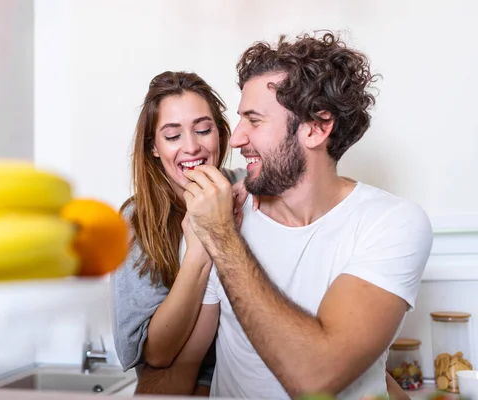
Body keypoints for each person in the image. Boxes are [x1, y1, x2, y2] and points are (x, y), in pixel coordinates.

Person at [174, 31, 433, 399]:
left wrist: (221, 238)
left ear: (316, 127)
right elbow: (179, 368)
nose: (235, 139)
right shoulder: (224, 213)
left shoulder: (390, 223)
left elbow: (316, 378)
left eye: (254, 120)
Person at [110, 70, 246, 396]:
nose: (192, 147)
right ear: (153, 147)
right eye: (172, 136)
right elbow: (156, 353)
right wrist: (199, 247)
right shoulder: (136, 221)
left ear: (221, 133)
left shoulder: (248, 192)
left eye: (203, 129)